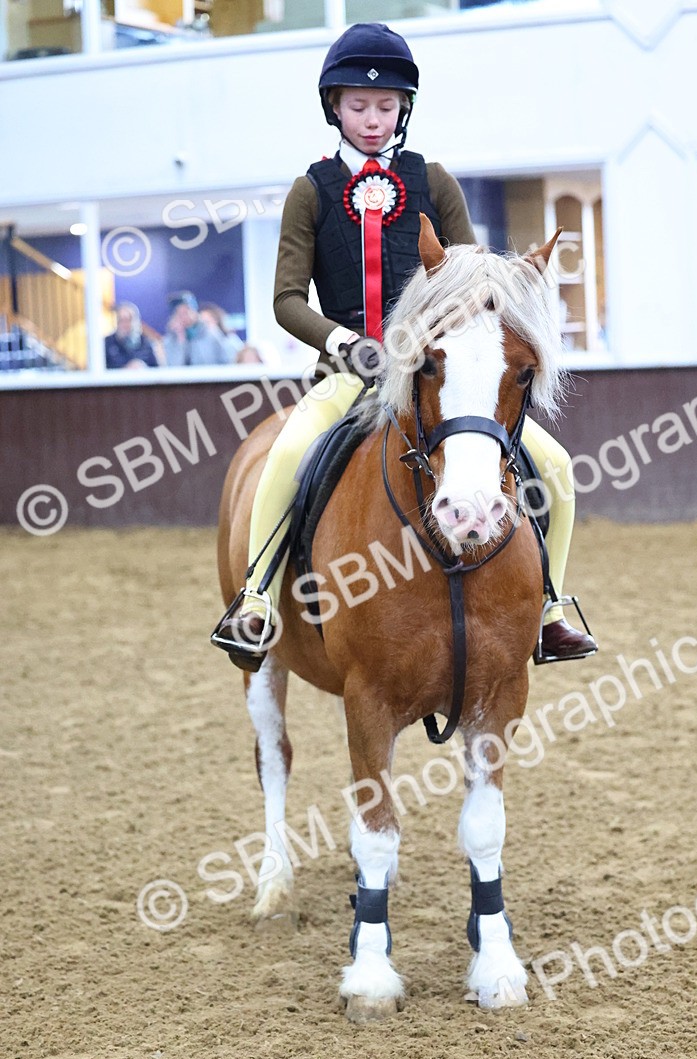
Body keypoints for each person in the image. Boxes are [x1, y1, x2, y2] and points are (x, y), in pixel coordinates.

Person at [213, 22, 596, 670]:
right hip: (348, 375)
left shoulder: (434, 181)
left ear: (404, 110)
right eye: (358, 106)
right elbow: (285, 300)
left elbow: (476, 278)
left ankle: (551, 609)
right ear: (334, 105)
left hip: (438, 374)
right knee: (286, 455)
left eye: (385, 106)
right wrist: (346, 344)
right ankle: (256, 599)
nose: (372, 118)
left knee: (554, 467)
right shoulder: (311, 190)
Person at [161, 291, 234, 366]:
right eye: (179, 313)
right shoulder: (169, 341)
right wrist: (181, 340)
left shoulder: (211, 334)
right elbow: (174, 368)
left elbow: (227, 360)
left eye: (186, 311)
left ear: (194, 311)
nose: (184, 317)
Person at [105, 302, 161, 369]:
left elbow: (157, 370)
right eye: (121, 320)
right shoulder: (107, 343)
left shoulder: (147, 343)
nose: (125, 324)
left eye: (128, 320)